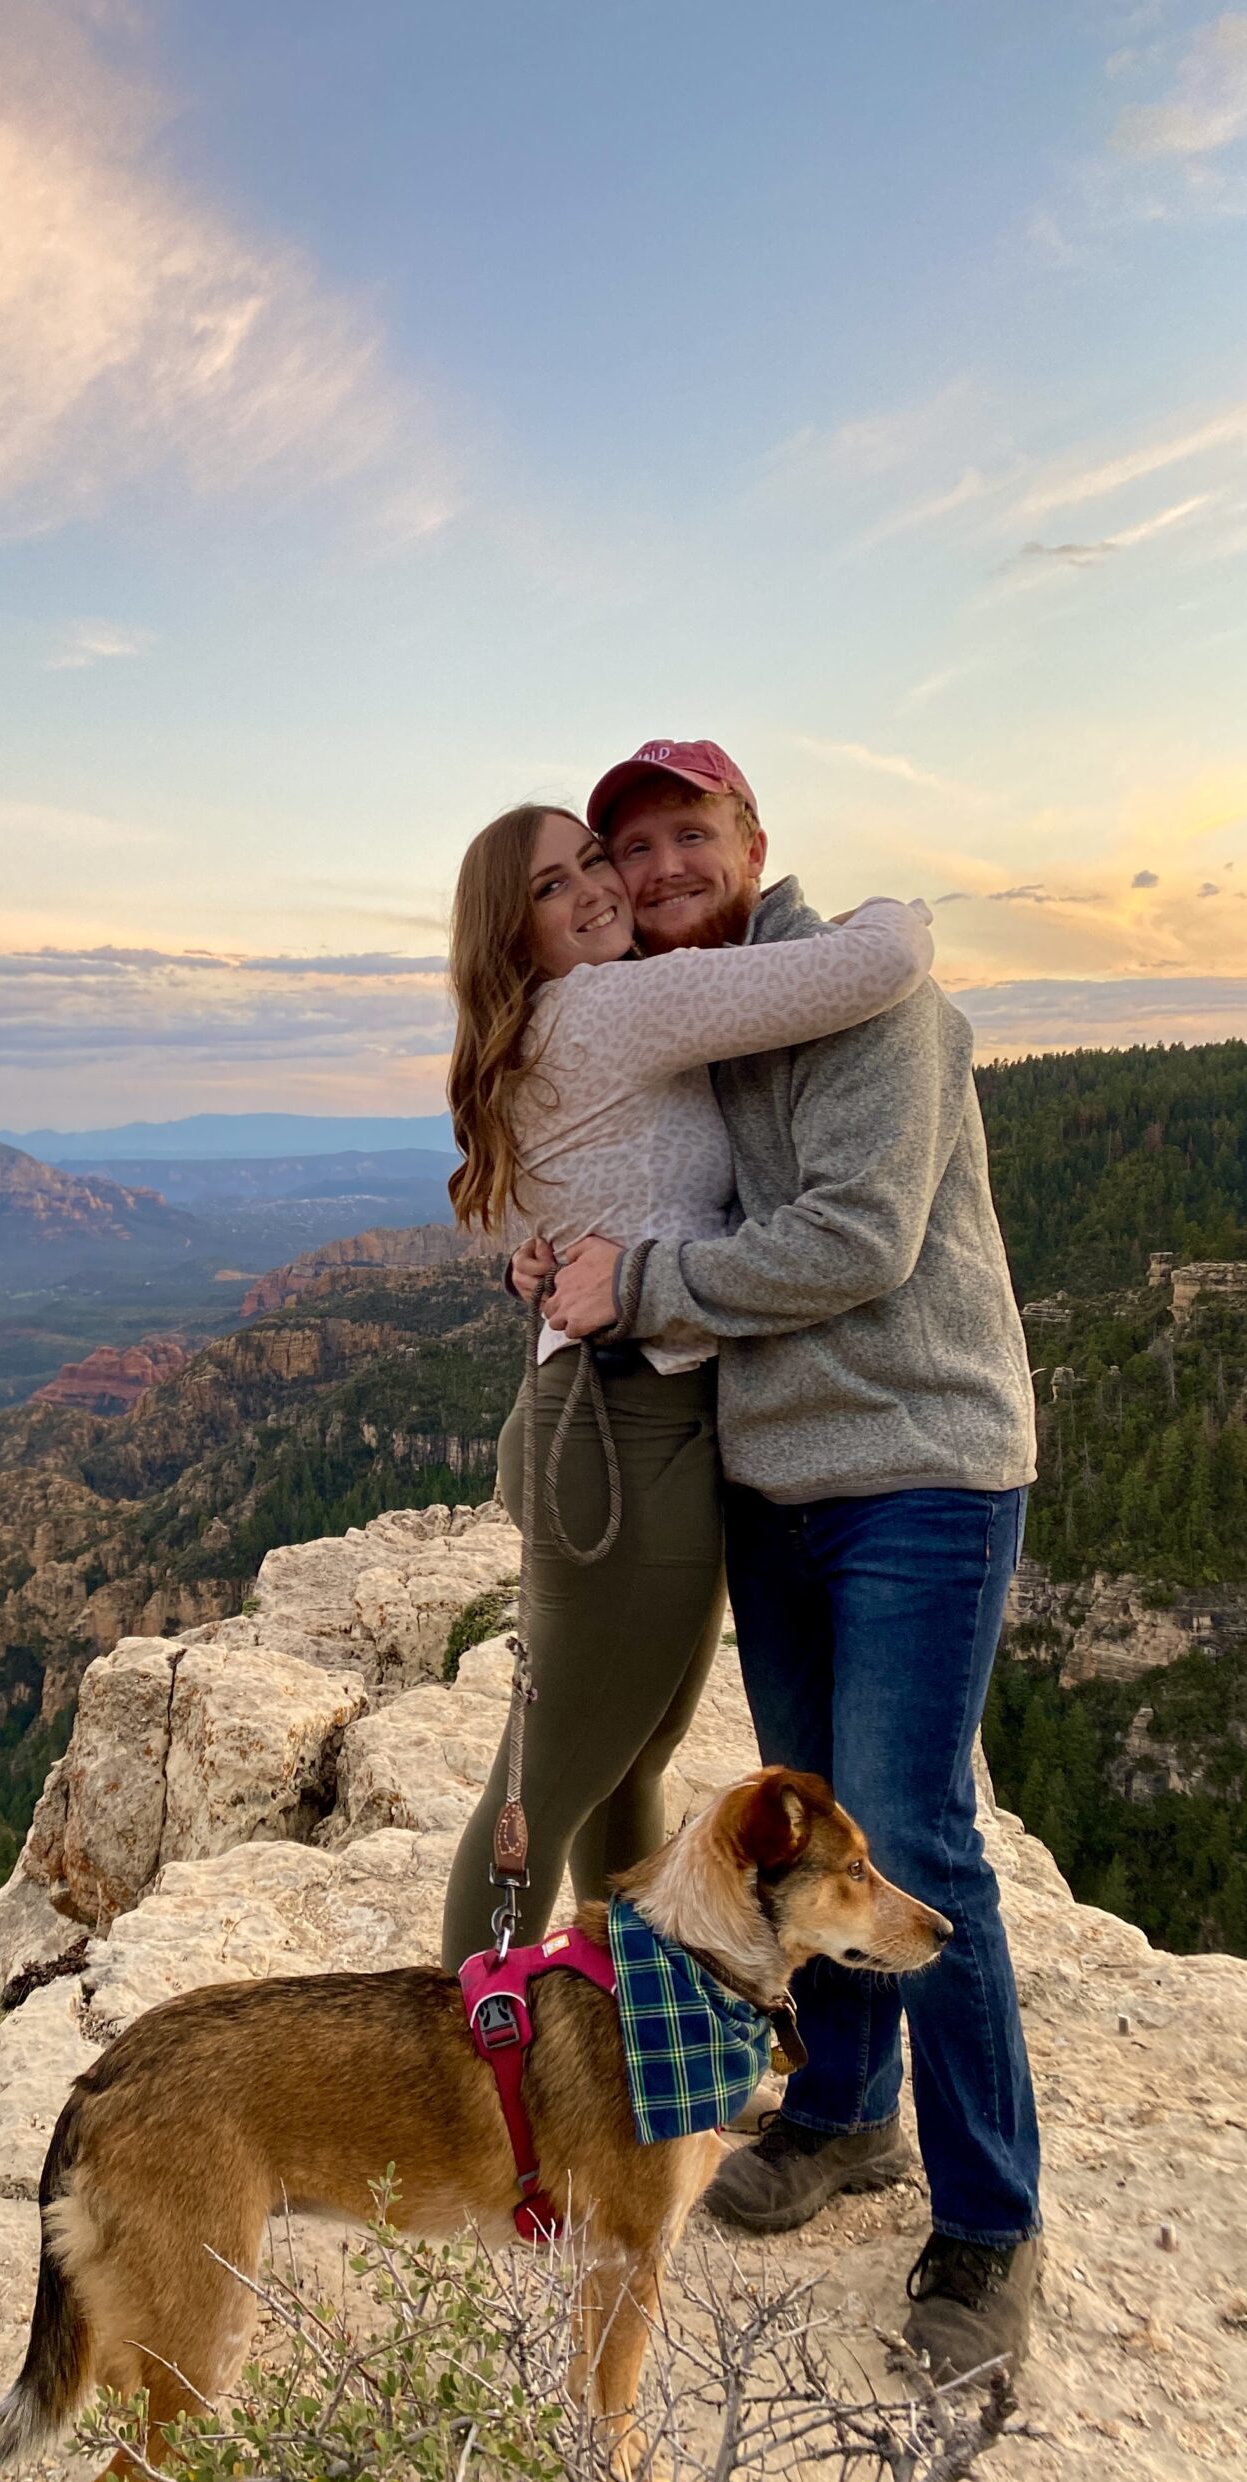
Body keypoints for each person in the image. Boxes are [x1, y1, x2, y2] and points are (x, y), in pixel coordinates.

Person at [554, 738, 1042, 2387]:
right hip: (779, 1487)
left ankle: (990, 2229)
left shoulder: (864, 1004)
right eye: (634, 846)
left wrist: (639, 1292)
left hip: (920, 1467)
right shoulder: (706, 1023)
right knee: (812, 1825)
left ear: (753, 841)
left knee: (912, 1836)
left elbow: (857, 1240)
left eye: (691, 832)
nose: (663, 865)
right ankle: (843, 2115)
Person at [437, 797, 934, 1982]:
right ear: (516, 934)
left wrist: (539, 1260)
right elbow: (875, 967)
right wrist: (903, 915)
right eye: (554, 886)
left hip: (609, 1417)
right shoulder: (611, 1006)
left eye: (592, 859)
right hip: (627, 1426)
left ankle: (621, 2021)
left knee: (628, 1759)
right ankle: (470, 2055)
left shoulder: (540, 1030)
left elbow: (524, 1225)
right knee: (551, 1771)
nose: (599, 887)